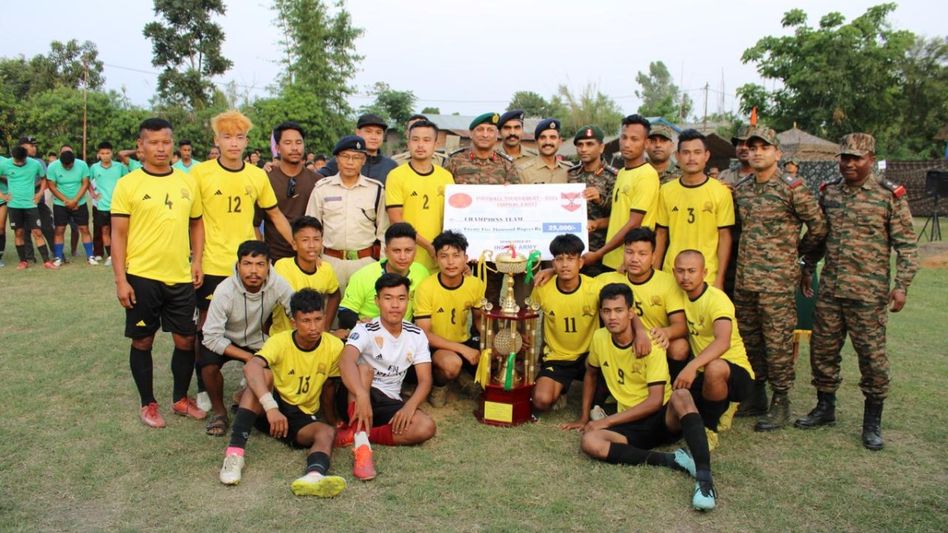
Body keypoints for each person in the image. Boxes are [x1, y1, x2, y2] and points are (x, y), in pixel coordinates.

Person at [795, 133, 918, 450]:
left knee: (873, 360)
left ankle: (872, 423)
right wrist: (808, 266)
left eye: (856, 158)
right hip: (832, 292)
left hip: (869, 295)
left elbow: (906, 246)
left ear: (871, 159)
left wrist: (901, 286)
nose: (848, 163)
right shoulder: (830, 193)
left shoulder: (888, 196)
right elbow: (819, 236)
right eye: (844, 157)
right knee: (822, 352)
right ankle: (825, 408)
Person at [561, 283, 717, 511]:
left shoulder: (651, 344)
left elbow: (655, 401)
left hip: (661, 418)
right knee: (590, 442)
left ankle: (705, 480)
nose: (612, 317)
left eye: (619, 310)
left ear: (631, 313)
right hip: (629, 422)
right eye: (607, 311)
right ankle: (672, 460)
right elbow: (591, 373)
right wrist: (584, 417)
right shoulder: (600, 338)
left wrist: (606, 420)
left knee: (682, 395)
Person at [110, 117, 206, 428]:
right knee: (142, 341)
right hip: (141, 277)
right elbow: (118, 236)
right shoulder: (128, 185)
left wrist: (197, 260)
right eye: (153, 142)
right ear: (141, 146)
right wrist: (121, 280)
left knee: (185, 340)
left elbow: (197, 222)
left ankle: (180, 398)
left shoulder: (186, 181)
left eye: (166, 142)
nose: (161, 148)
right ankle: (148, 403)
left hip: (179, 276)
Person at [731, 127, 827, 431]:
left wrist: (802, 259)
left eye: (764, 147)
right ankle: (755, 395)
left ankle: (781, 401)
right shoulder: (743, 189)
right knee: (750, 341)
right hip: (745, 279)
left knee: (778, 343)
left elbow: (819, 227)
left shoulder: (792, 188)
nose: (757, 152)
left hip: (776, 282)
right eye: (752, 147)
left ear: (777, 152)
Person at [218, 288, 348, 497]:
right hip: (270, 405)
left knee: (326, 433)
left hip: (300, 414)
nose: (313, 327)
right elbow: (251, 367)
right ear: (294, 322)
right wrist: (270, 407)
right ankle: (234, 455)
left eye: (318, 319)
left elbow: (329, 388)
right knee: (263, 375)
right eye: (306, 321)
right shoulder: (280, 341)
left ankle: (313, 476)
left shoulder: (333, 346)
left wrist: (332, 420)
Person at [191, 110, 294, 325]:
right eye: (227, 137)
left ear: (246, 141)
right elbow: (194, 221)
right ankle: (203, 360)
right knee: (207, 321)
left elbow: (274, 214)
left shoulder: (257, 175)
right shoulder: (199, 174)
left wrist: (295, 244)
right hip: (213, 262)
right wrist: (196, 260)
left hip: (249, 263)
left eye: (239, 137)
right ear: (216, 140)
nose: (233, 143)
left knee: (251, 321)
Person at [335, 273, 437, 481]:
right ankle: (362, 451)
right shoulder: (364, 329)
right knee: (364, 369)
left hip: (388, 401)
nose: (395, 305)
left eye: (401, 298)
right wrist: (362, 395)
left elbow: (425, 380)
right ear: (377, 301)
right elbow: (346, 362)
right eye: (388, 298)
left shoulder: (416, 335)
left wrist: (409, 406)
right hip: (355, 396)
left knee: (426, 427)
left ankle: (356, 433)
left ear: (408, 301)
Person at [201, 240, 294, 436]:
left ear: (268, 265)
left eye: (260, 264)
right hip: (225, 339)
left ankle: (244, 399)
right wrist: (247, 357)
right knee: (207, 364)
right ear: (238, 265)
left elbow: (296, 310)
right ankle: (219, 413)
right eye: (247, 264)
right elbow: (210, 337)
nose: (254, 271)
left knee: (278, 363)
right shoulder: (224, 291)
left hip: (257, 338)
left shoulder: (278, 283)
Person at [672, 250, 755, 446]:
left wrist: (690, 367)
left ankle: (709, 430)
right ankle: (722, 406)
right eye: (680, 271)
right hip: (701, 371)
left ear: (704, 272)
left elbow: (723, 341)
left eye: (692, 271)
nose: (685, 277)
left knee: (715, 368)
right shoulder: (679, 295)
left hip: (735, 370)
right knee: (676, 414)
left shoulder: (717, 299)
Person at [596, 228, 690, 378]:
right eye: (629, 252)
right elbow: (574, 281)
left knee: (680, 347)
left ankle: (671, 390)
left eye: (642, 254)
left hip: (654, 343)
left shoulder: (668, 282)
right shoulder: (607, 280)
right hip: (621, 343)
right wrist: (551, 272)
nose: (634, 259)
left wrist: (665, 333)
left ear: (653, 257)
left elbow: (681, 325)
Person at [529, 234, 604, 412]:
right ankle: (561, 388)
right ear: (553, 264)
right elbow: (530, 317)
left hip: (589, 355)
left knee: (602, 397)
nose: (564, 265)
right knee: (541, 401)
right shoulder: (542, 288)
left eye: (570, 259)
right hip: (558, 357)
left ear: (580, 262)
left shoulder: (595, 287)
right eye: (559, 259)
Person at [306, 135, 389, 295]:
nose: (350, 162)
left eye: (356, 157)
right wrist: (313, 259)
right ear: (336, 158)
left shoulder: (376, 190)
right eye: (345, 156)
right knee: (330, 313)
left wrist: (382, 265)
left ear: (364, 160)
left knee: (364, 315)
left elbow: (383, 232)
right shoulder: (322, 188)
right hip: (329, 262)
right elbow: (311, 228)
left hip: (365, 263)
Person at [655, 130, 735, 289]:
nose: (691, 158)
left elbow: (725, 237)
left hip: (707, 275)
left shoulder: (721, 192)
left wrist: (719, 278)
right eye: (686, 152)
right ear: (677, 156)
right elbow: (661, 234)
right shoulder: (666, 190)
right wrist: (655, 274)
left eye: (697, 152)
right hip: (671, 274)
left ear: (706, 156)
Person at [414, 230, 486, 406]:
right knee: (451, 364)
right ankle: (439, 385)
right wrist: (462, 350)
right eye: (444, 256)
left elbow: (479, 320)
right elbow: (424, 334)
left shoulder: (475, 284)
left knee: (496, 357)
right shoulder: (426, 287)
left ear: (466, 258)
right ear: (436, 259)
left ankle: (464, 376)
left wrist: (491, 343)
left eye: (456, 255)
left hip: (464, 340)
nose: (451, 262)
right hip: (436, 346)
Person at [589, 114, 660, 274]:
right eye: (624, 137)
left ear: (646, 143)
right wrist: (598, 223)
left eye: (634, 139)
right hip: (612, 259)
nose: (627, 144)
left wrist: (599, 253)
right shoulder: (622, 173)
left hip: (630, 263)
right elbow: (621, 215)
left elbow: (634, 223)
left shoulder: (646, 175)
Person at [385, 119, 455, 270]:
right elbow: (396, 221)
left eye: (427, 140)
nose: (420, 145)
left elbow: (453, 218)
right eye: (415, 140)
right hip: (407, 259)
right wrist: (429, 246)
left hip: (439, 257)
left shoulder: (446, 177)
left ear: (436, 144)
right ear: (408, 143)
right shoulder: (396, 175)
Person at [337, 222, 429, 330]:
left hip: (404, 337)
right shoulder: (363, 275)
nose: (403, 257)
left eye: (408, 250)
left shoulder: (422, 273)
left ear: (415, 251)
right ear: (386, 251)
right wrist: (359, 323)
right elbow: (344, 311)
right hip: (369, 334)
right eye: (396, 251)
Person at [258, 121, 321, 262]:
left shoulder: (318, 181)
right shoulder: (266, 179)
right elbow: (256, 224)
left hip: (310, 259)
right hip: (275, 258)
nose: (294, 148)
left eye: (299, 142)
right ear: (278, 148)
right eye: (288, 143)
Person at [271, 216, 341, 334]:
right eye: (305, 240)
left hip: (313, 337)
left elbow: (335, 294)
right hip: (283, 337)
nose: (312, 245)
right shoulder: (282, 267)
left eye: (316, 239)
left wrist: (325, 327)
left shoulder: (326, 269)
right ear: (294, 244)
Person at [567, 125, 618, 276]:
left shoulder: (614, 176)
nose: (583, 149)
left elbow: (620, 214)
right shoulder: (570, 174)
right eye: (580, 145)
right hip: (573, 249)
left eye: (589, 144)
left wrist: (599, 200)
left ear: (601, 147)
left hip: (602, 250)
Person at [0, 146, 56, 269]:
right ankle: (23, 261)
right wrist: (2, 195)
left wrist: (40, 193)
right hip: (14, 205)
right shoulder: (5, 164)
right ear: (13, 157)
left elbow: (43, 179)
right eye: (17, 161)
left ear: (26, 157)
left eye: (22, 161)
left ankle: (46, 261)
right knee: (19, 233)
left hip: (30, 204)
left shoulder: (35, 164)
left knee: (37, 232)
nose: (20, 163)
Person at [47, 149, 95, 265]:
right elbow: (52, 187)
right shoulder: (53, 167)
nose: (68, 167)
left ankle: (90, 257)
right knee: (60, 230)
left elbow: (85, 183)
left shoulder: (82, 165)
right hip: (60, 204)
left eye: (70, 165)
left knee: (84, 229)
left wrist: (75, 200)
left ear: (74, 161)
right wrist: (66, 201)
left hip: (80, 203)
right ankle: (58, 257)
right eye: (65, 165)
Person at [319, 114, 397, 185]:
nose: (374, 137)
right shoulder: (342, 162)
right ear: (358, 132)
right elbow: (316, 180)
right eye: (368, 132)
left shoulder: (391, 166)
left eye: (378, 133)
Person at [444, 112, 521, 185]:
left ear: (497, 135)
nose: (485, 135)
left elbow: (516, 194)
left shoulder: (507, 164)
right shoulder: (454, 161)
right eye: (480, 130)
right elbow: (442, 190)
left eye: (490, 130)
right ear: (470, 134)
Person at [89, 141, 128, 266]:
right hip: (102, 206)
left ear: (112, 153)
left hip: (118, 205)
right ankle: (111, 255)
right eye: (102, 153)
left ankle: (124, 254)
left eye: (108, 153)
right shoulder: (94, 168)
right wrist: (94, 195)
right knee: (105, 231)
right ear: (98, 155)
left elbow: (127, 183)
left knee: (120, 231)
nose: (105, 155)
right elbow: (87, 182)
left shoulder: (120, 167)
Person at [515, 118, 571, 184]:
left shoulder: (569, 170)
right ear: (536, 142)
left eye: (552, 137)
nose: (547, 142)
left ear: (560, 141)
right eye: (542, 138)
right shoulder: (523, 172)